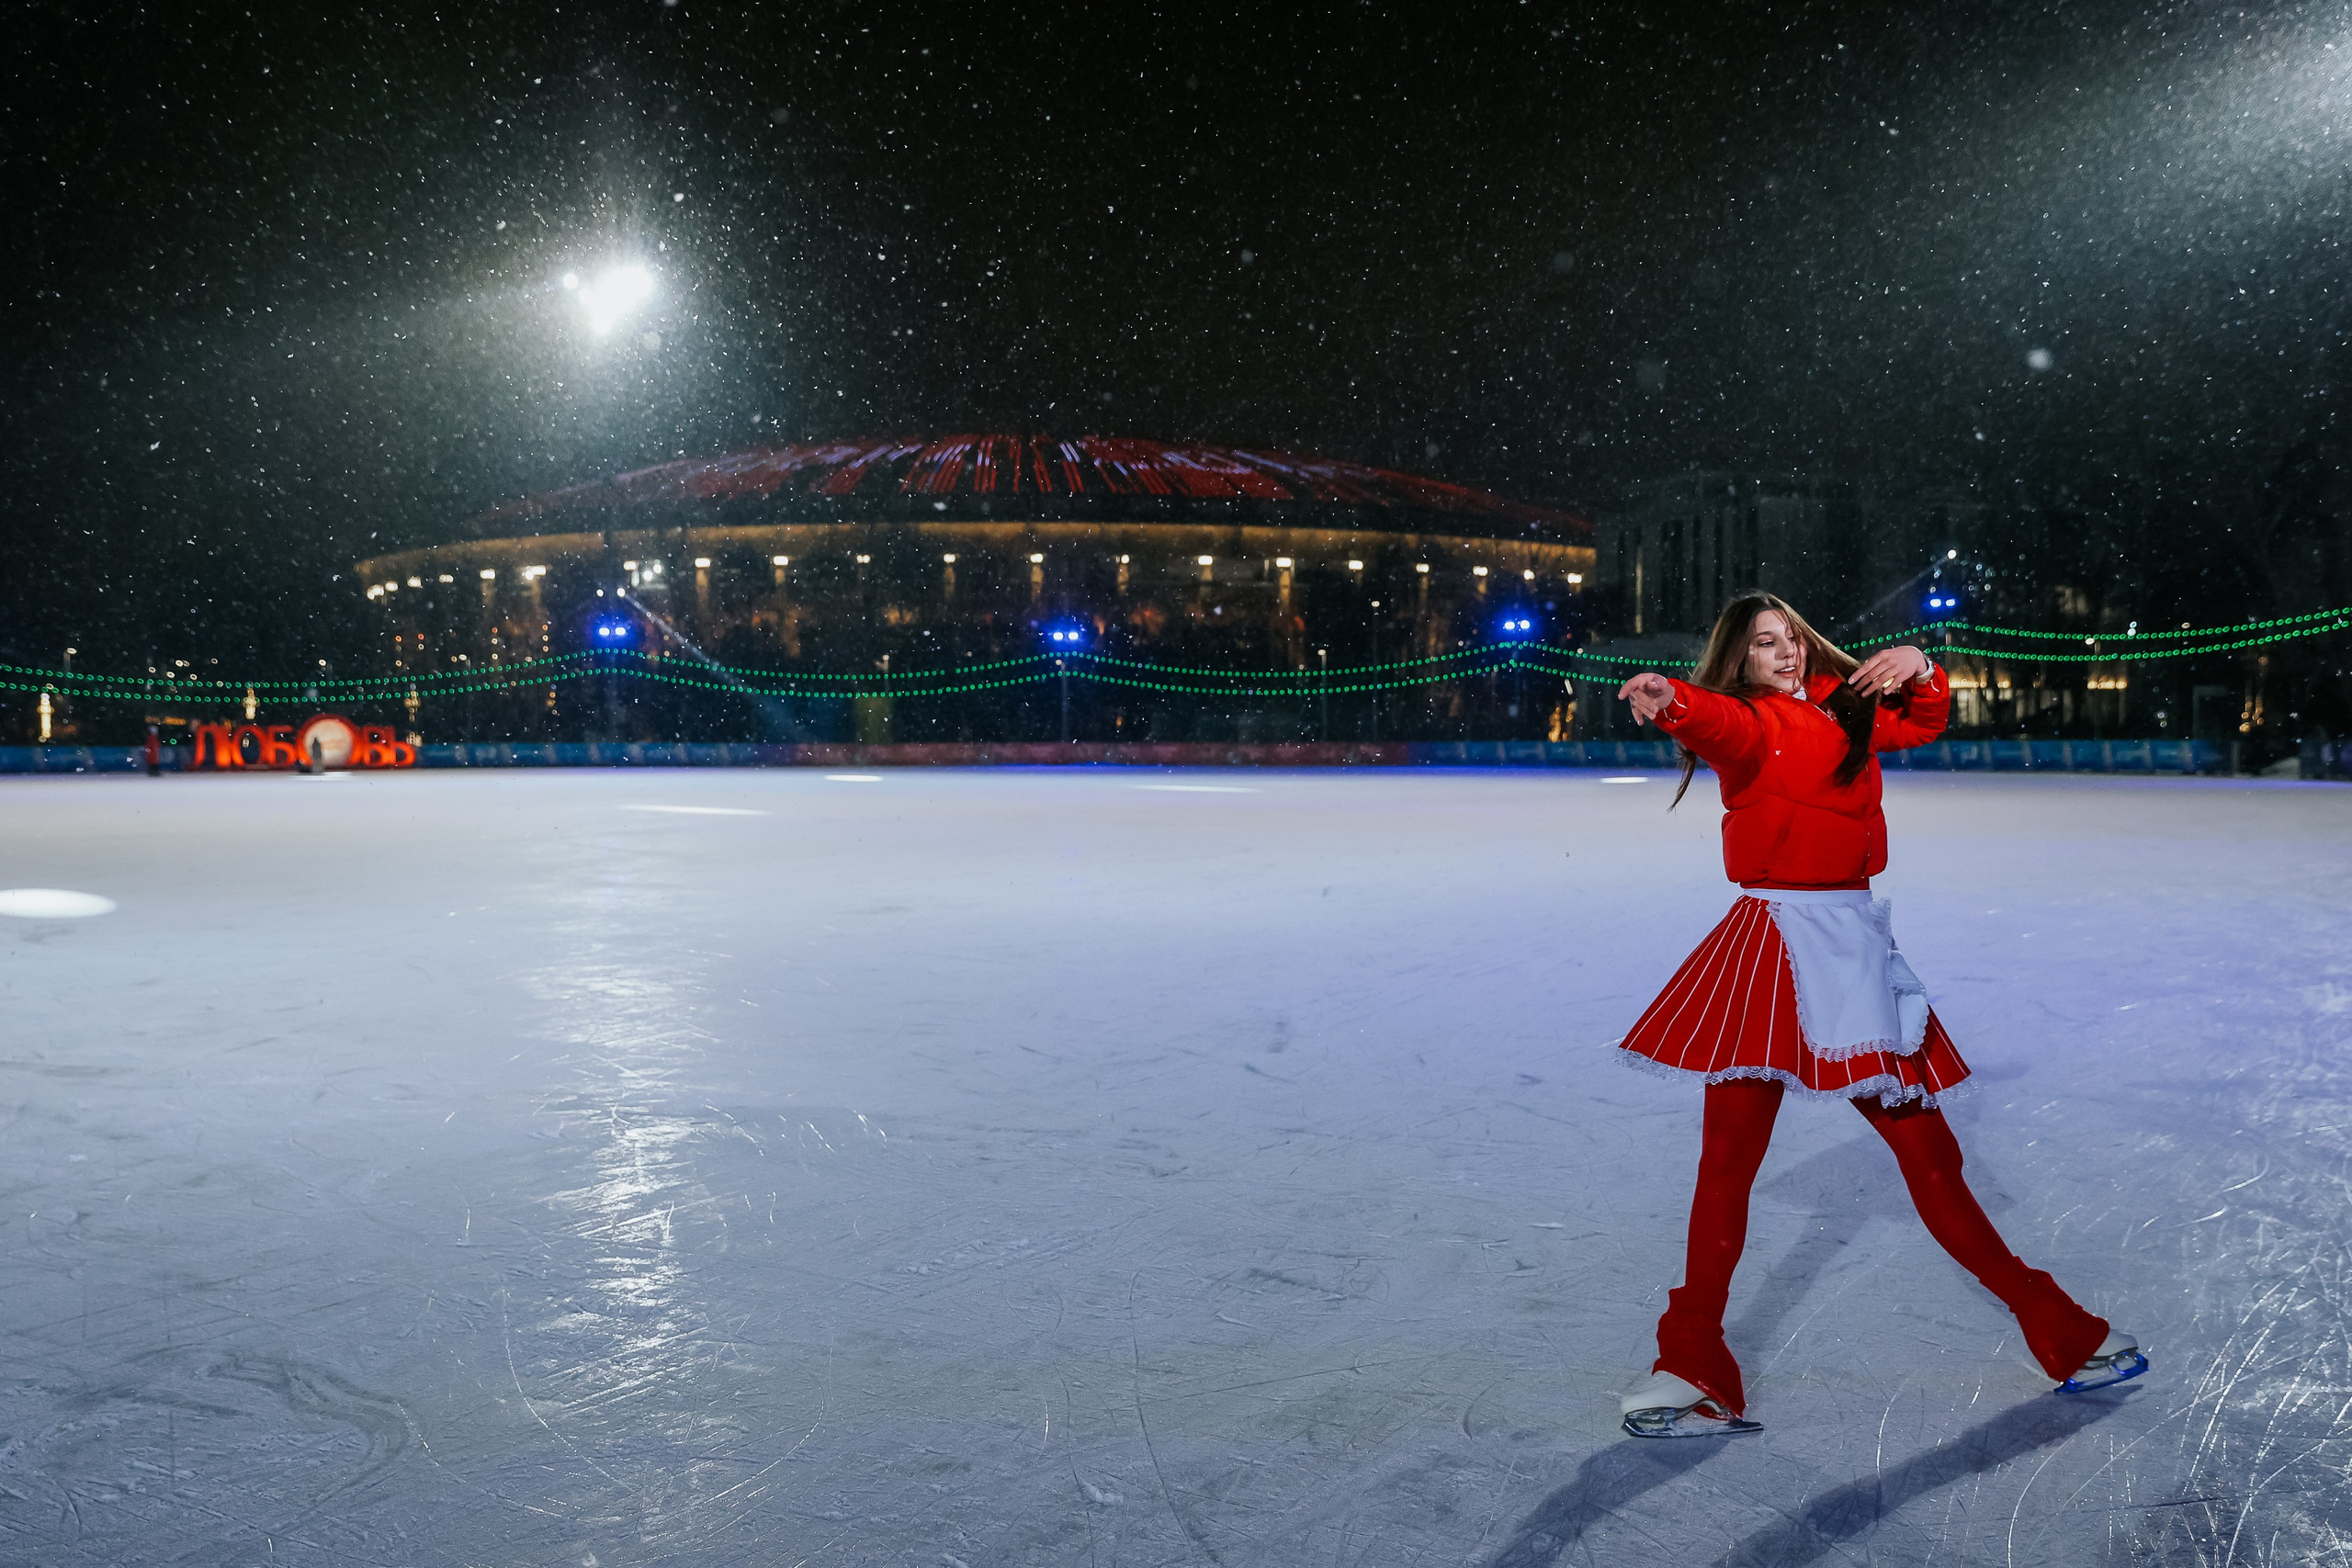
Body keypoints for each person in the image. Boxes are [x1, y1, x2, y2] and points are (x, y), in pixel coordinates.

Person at [1609, 591, 2144, 1439]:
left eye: (1788, 638)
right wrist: (1673, 699)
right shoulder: (1750, 722)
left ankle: (2064, 1331)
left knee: (1930, 1156)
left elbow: (1924, 722)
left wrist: (1925, 667)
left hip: (1853, 947)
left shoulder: (1847, 710)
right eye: (1760, 645)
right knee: (1728, 1163)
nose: (1781, 653)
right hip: (1773, 947)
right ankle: (1692, 1361)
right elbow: (1715, 724)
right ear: (1739, 661)